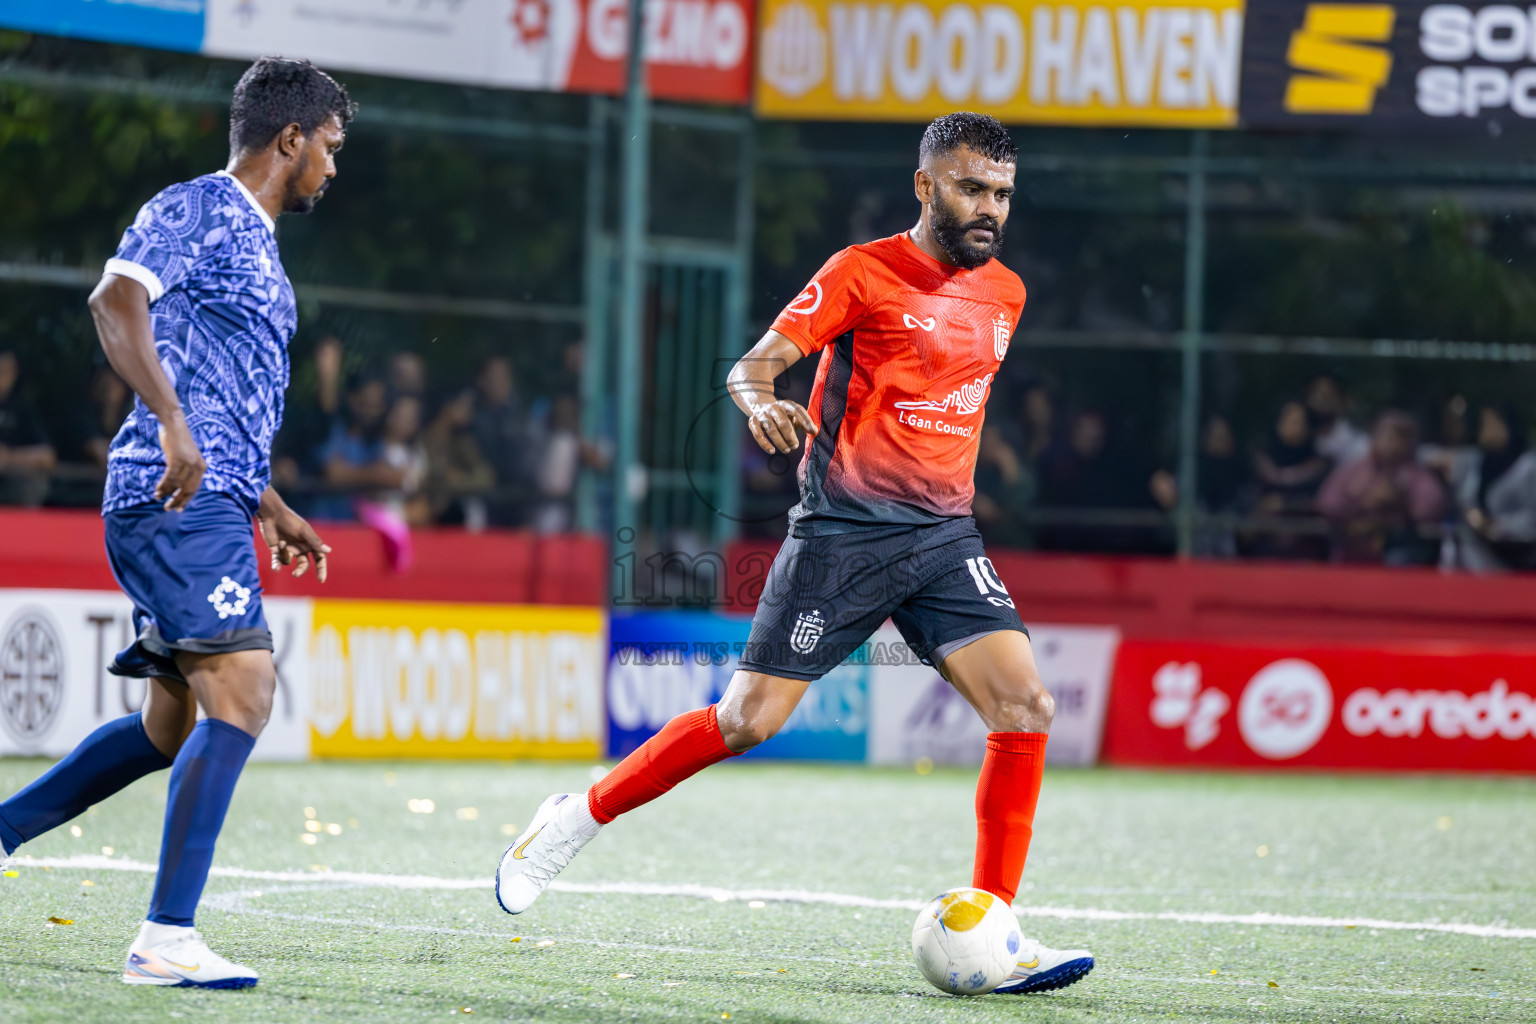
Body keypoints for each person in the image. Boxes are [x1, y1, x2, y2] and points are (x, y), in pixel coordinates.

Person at [494, 113, 1093, 994]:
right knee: (748, 722)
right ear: (925, 185)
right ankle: (575, 815)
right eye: (971, 188)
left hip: (941, 536)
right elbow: (751, 365)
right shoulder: (861, 271)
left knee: (1026, 703)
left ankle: (996, 927)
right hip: (843, 535)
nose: (990, 208)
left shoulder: (1006, 293)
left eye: (1002, 193)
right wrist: (760, 401)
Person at [0, 57, 349, 989]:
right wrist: (168, 419)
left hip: (217, 500)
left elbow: (220, 386)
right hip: (172, 496)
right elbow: (115, 302)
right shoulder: (200, 204)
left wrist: (270, 503)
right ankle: (165, 938)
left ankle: (2, 831)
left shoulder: (259, 242)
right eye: (330, 146)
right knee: (245, 691)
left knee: (169, 726)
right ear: (290, 137)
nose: (332, 166)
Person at [1317, 410, 1446, 564]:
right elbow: (1327, 504)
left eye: (1399, 437)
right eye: (1387, 436)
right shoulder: (1351, 471)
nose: (1391, 444)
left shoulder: (1418, 476)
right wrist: (1363, 503)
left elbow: (1429, 510)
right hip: (1352, 548)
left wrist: (1402, 501)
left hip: (1403, 550)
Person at [1459, 405, 1536, 569]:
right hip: (1477, 558)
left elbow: (1532, 516)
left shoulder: (1527, 466)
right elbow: (1467, 500)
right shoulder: (1479, 463)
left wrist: (1495, 525)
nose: (1487, 430)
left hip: (1519, 559)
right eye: (1484, 423)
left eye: (1493, 423)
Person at [0, 349, 58, 505]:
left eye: (4, 371)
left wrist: (8, 457)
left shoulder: (22, 409)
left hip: (13, 499)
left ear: (15, 374)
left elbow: (47, 457)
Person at [1306, 374, 1369, 467]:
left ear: (1341, 401)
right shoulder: (1300, 438)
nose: (1322, 400)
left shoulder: (1360, 445)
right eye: (1317, 394)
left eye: (1328, 395)